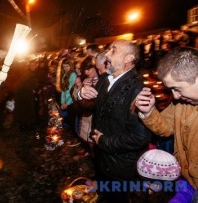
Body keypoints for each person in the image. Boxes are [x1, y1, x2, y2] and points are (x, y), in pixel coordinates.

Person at [80, 40, 151, 202]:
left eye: (113, 50)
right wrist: (81, 92)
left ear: (128, 58)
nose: (106, 54)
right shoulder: (106, 79)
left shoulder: (137, 89)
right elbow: (86, 104)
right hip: (101, 159)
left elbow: (140, 138)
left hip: (120, 168)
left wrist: (104, 140)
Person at [135, 46, 198, 200]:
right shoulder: (183, 102)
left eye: (177, 88)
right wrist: (149, 111)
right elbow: (166, 127)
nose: (175, 96)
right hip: (188, 182)